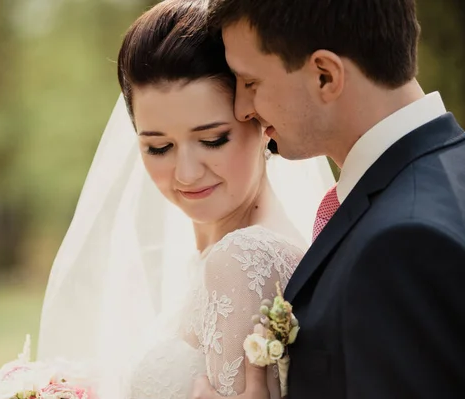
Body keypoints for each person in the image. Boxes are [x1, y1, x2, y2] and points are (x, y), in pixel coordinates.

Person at [36, 0, 334, 398]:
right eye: (159, 147)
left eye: (212, 140)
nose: (186, 173)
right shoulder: (210, 256)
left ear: (260, 119)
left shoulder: (243, 259)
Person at [195, 0, 465, 398]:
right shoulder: (441, 177)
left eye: (251, 83)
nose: (242, 108)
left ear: (325, 75)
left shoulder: (402, 243)